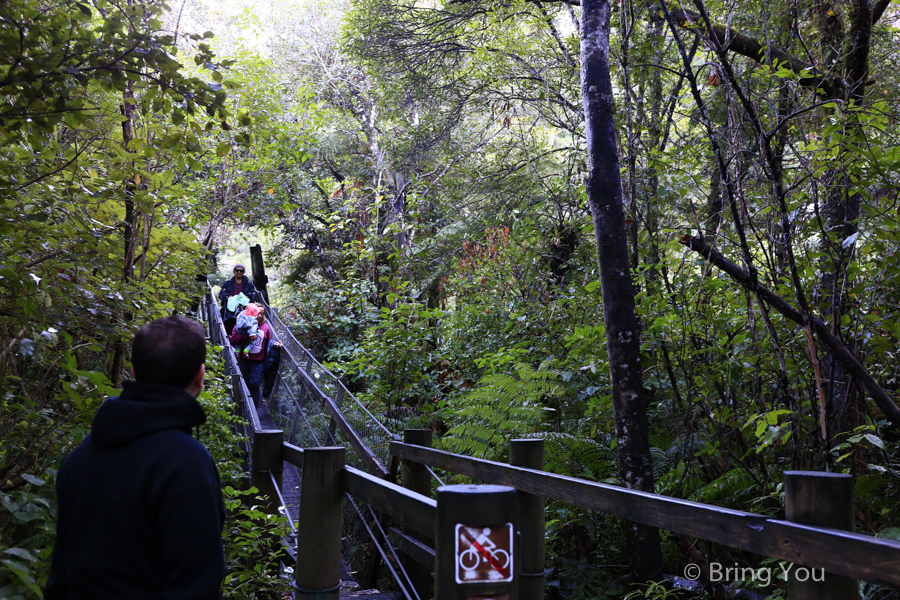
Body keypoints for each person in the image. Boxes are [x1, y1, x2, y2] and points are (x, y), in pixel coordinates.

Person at [46, 316, 226, 600]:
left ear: (133, 370)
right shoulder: (187, 462)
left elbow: (62, 572)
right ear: (200, 376)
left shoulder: (81, 455)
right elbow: (196, 585)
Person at [229, 303, 271, 407]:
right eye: (257, 313)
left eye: (261, 313)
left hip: (258, 361)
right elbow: (234, 339)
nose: (259, 316)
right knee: (244, 384)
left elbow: (268, 342)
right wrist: (248, 333)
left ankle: (254, 408)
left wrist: (275, 345)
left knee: (255, 384)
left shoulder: (265, 327)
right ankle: (243, 406)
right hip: (243, 360)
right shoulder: (240, 325)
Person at [219, 264, 258, 335]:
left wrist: (247, 296)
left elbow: (253, 294)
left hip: (244, 305)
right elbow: (221, 294)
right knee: (224, 312)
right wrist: (228, 297)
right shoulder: (227, 283)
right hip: (230, 306)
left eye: (241, 271)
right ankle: (227, 333)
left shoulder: (249, 284)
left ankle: (248, 332)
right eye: (237, 270)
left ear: (243, 272)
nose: (239, 272)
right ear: (234, 271)